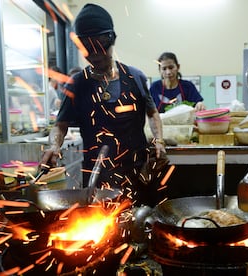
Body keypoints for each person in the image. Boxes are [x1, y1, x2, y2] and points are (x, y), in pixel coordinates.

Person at [40, 3, 165, 206]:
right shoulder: (77, 84)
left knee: (143, 225)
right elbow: (60, 124)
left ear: (111, 40)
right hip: (97, 178)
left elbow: (152, 113)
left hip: (138, 172)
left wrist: (159, 141)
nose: (95, 56)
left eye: (100, 46)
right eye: (88, 49)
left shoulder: (135, 77)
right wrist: (54, 146)